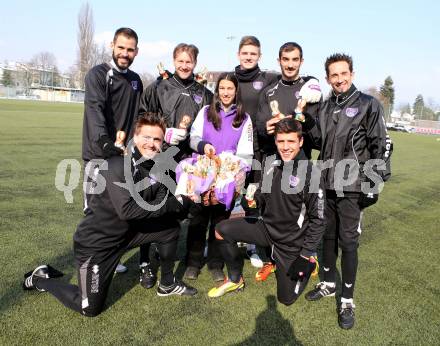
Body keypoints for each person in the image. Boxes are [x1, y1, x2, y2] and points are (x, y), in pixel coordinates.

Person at [23, 113, 198, 317]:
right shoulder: (117, 164)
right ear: (135, 137)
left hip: (127, 235)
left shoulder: (158, 169)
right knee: (88, 308)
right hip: (97, 244)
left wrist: (187, 200)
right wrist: (174, 204)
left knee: (170, 229)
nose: (151, 144)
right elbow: (128, 211)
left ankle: (167, 284)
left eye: (157, 139)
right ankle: (39, 279)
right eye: (146, 138)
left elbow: (167, 206)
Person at [302, 53, 393, 329]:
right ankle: (329, 283)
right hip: (326, 183)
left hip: (353, 187)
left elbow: (382, 145)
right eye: (334, 75)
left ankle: (347, 300)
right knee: (327, 238)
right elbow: (319, 140)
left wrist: (373, 184)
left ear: (352, 74)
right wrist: (305, 117)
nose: (339, 79)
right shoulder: (327, 106)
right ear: (328, 78)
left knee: (348, 241)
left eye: (344, 73)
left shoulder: (369, 104)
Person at [208, 118, 325, 303]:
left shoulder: (311, 174)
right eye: (281, 141)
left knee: (286, 299)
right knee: (221, 230)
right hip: (266, 229)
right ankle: (235, 279)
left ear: (301, 142)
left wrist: (305, 254)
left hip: (290, 243)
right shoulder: (270, 163)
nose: (285, 147)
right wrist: (252, 201)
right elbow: (262, 195)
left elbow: (319, 220)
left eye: (291, 141)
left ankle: (310, 264)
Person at [138, 43, 213, 286]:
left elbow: (210, 129)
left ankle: (186, 256)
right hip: (159, 158)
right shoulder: (159, 86)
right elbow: (142, 118)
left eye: (188, 61)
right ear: (173, 60)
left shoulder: (204, 93)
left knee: (187, 209)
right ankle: (145, 262)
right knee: (151, 206)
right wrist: (164, 133)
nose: (184, 65)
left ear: (195, 63)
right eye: (180, 60)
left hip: (189, 163)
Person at [253, 41, 322, 282]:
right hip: (273, 160)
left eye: (295, 60)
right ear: (279, 61)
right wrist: (267, 127)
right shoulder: (269, 92)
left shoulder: (310, 88)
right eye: (286, 59)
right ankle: (270, 259)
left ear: (301, 61)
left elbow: (316, 132)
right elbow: (260, 127)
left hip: (301, 162)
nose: (290, 64)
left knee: (301, 214)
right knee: (268, 209)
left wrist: (299, 119)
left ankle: (307, 257)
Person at [82, 27, 143, 274]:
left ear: (136, 52)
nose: (125, 54)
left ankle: (110, 256)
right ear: (112, 46)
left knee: (120, 209)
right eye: (121, 48)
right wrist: (105, 141)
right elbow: (94, 109)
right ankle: (89, 258)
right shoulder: (98, 75)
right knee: (94, 209)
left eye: (130, 50)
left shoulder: (136, 80)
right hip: (98, 152)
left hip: (123, 157)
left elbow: (138, 115)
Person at [185, 72, 253, 282]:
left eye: (230, 88)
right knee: (197, 221)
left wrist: (235, 173)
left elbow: (246, 153)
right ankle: (193, 263)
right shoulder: (206, 112)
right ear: (217, 90)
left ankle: (216, 264)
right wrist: (203, 146)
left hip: (225, 180)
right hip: (202, 176)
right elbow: (193, 138)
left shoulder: (244, 118)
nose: (225, 92)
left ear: (236, 91)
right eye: (222, 88)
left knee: (220, 224)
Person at [233, 36, 279, 269]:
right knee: (230, 195)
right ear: (238, 54)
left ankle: (253, 245)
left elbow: (293, 80)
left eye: (253, 53)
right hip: (234, 150)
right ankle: (226, 238)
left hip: (262, 148)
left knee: (256, 195)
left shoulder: (269, 79)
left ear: (259, 56)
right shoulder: (230, 79)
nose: (249, 57)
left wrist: (311, 82)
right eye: (245, 53)